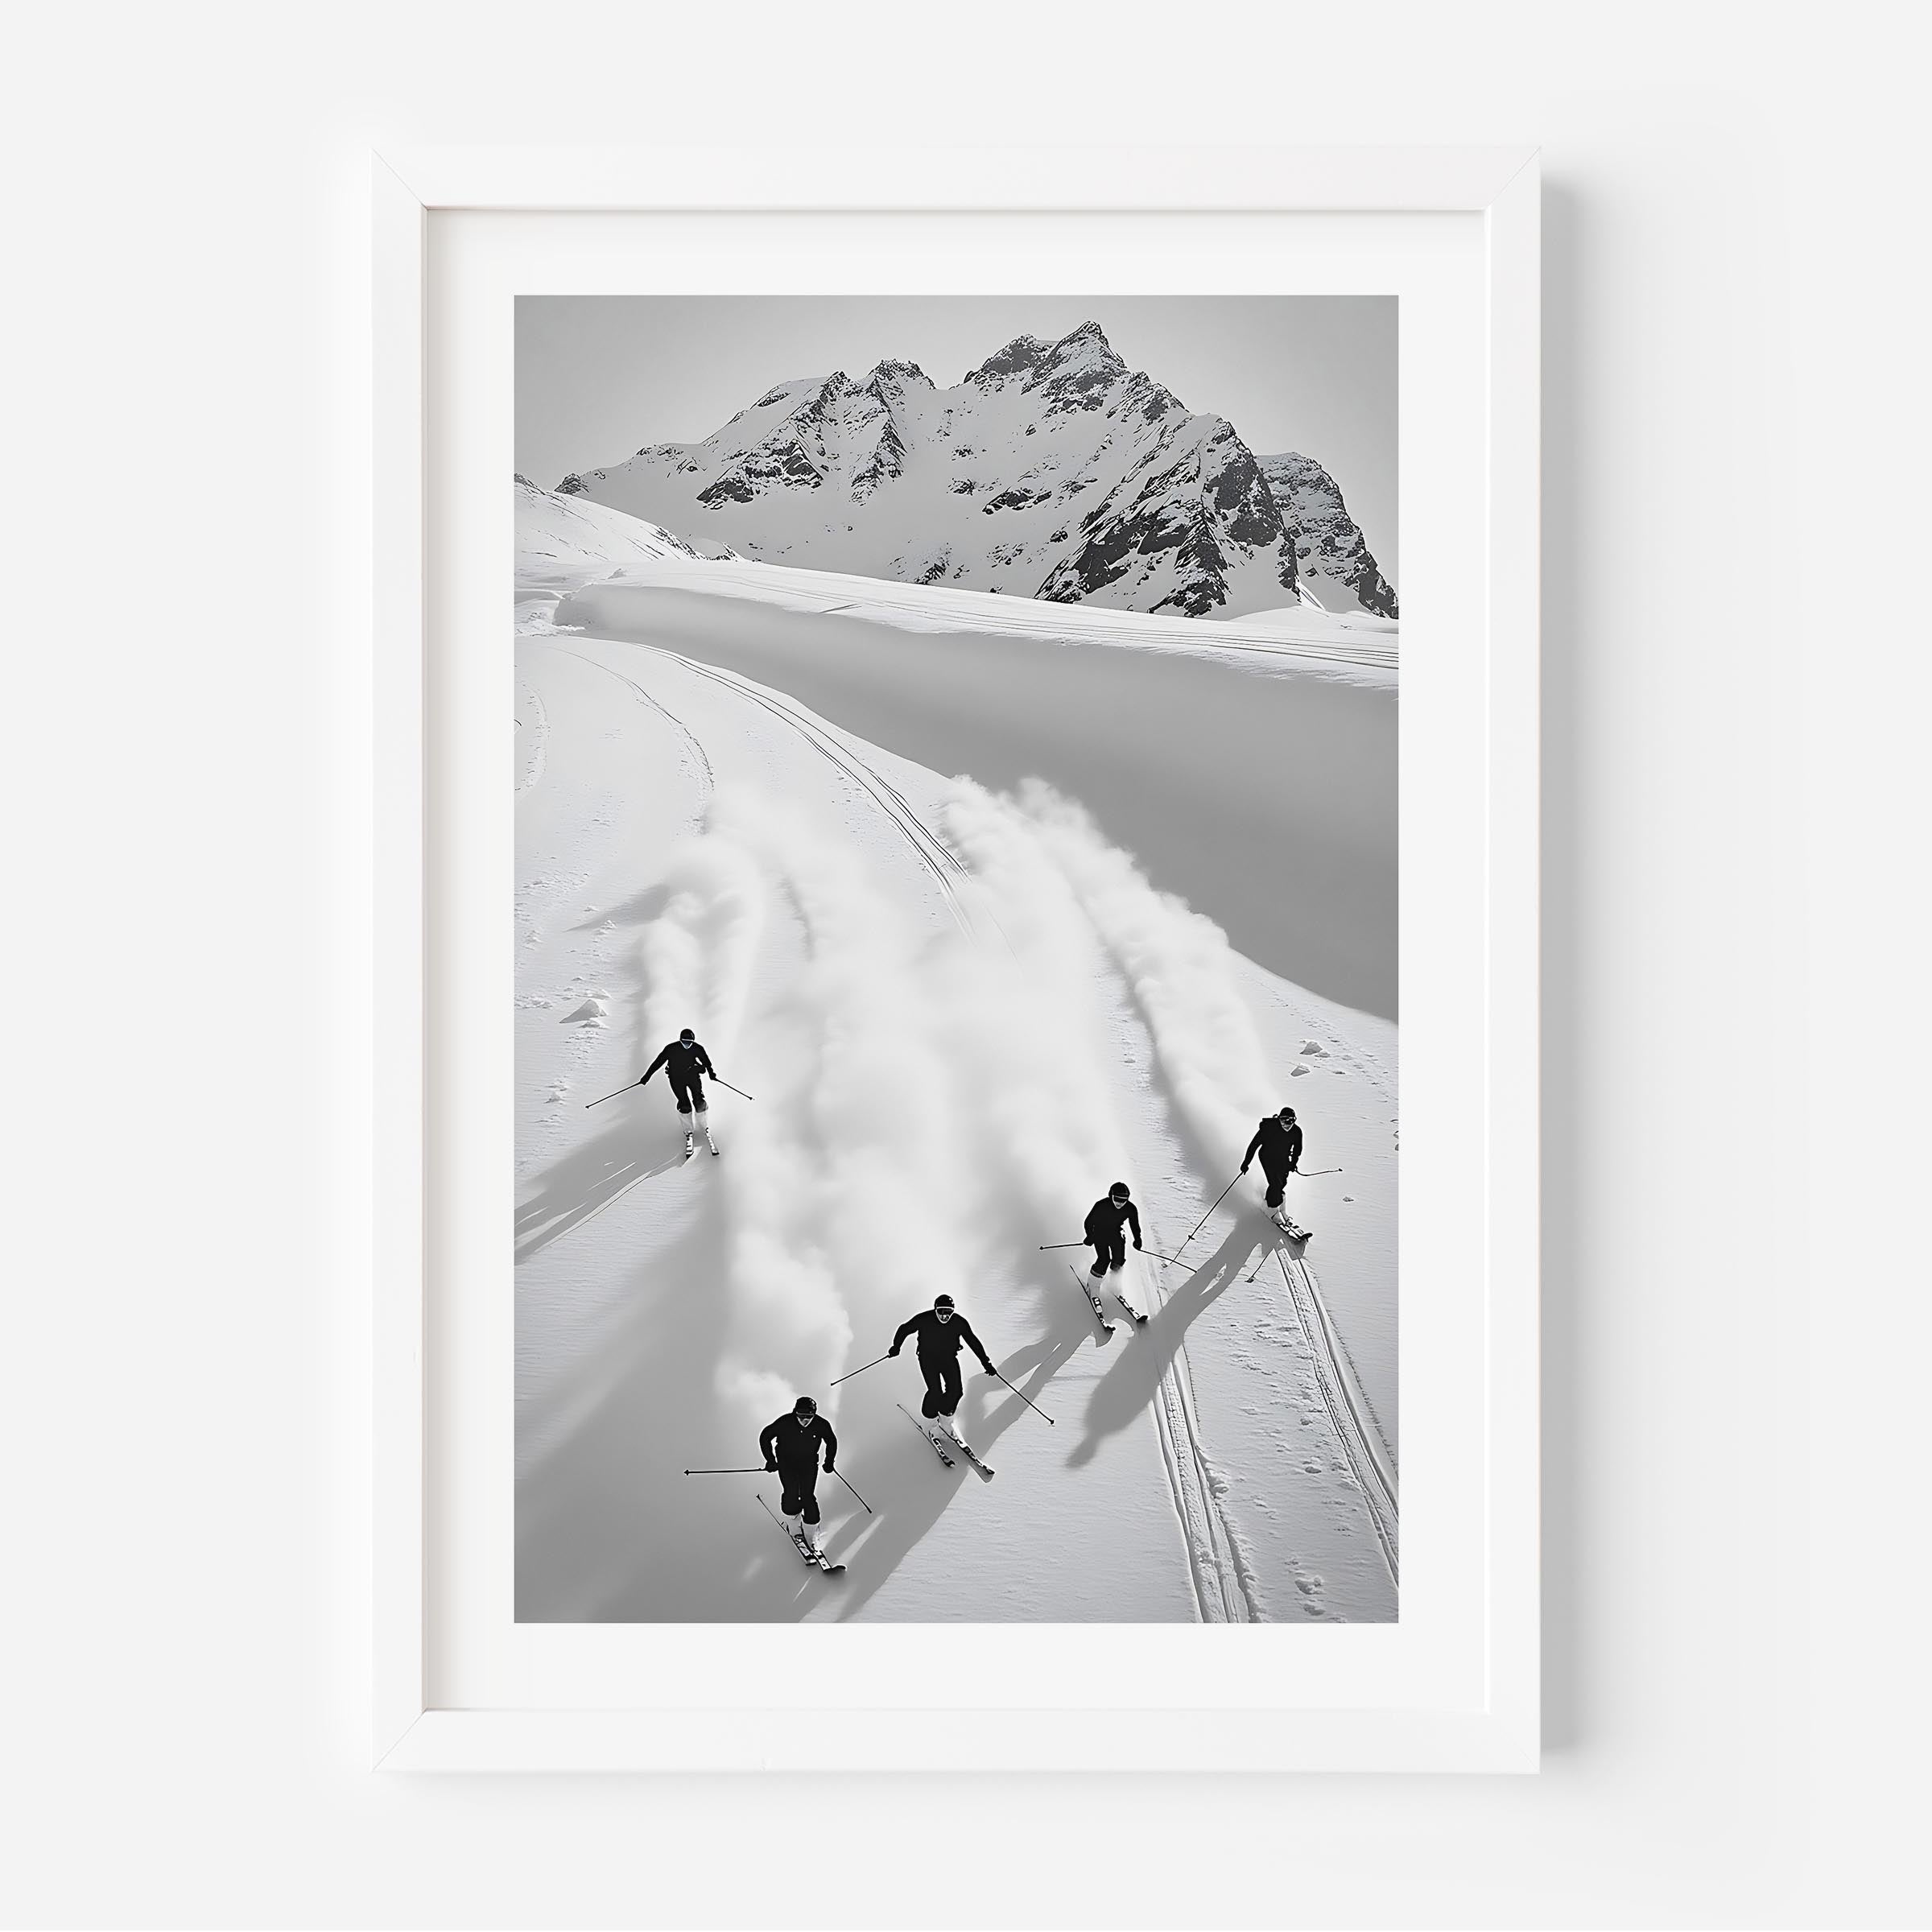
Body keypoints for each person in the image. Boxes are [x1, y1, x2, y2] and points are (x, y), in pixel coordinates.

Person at [889, 1294, 997, 1443]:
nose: (945, 1316)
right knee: (935, 1392)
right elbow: (904, 1329)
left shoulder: (959, 1322)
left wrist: (986, 1363)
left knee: (956, 1391)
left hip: (948, 1359)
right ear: (935, 1309)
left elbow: (973, 1341)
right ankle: (930, 1421)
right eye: (941, 1311)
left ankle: (946, 1421)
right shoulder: (924, 1319)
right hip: (928, 1359)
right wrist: (896, 1346)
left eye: (949, 1312)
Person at [758, 1396, 838, 1556]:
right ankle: (795, 1527)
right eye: (801, 1416)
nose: (805, 1420)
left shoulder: (821, 1424)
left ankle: (811, 1534)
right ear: (795, 1412)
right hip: (786, 1464)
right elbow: (765, 1436)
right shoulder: (785, 1422)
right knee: (791, 1493)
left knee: (808, 1496)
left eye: (809, 1416)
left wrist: (829, 1461)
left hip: (808, 1464)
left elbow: (831, 1441)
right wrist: (771, 1460)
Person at [639, 1026, 718, 1155]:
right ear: (680, 1040)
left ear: (693, 1041)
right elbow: (658, 1062)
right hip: (676, 1079)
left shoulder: (698, 1048)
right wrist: (646, 1077)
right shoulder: (671, 1049)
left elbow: (706, 1062)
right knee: (684, 1104)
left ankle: (703, 1125)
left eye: (689, 1042)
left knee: (699, 1100)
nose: (687, 1045)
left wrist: (711, 1073)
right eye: (684, 1042)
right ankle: (688, 1131)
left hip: (692, 1077)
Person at [1241, 1106, 1305, 1232]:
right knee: (1275, 1183)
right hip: (1267, 1157)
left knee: (1282, 1183)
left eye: (1290, 1121)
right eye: (1283, 1120)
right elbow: (1254, 1145)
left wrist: (1293, 1163)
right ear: (1279, 1119)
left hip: (1283, 1158)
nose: (1287, 1124)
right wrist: (1246, 1163)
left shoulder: (1297, 1132)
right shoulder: (1269, 1128)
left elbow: (1297, 1150)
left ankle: (1280, 1209)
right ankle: (1272, 1209)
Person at [1084, 1182, 1143, 1290]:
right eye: (1117, 1199)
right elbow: (1088, 1222)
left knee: (1119, 1260)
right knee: (1104, 1260)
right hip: (1099, 1233)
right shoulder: (1101, 1205)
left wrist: (1137, 1239)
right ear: (1111, 1195)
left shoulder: (1131, 1208)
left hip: (1116, 1233)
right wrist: (1090, 1236)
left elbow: (1134, 1225)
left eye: (1123, 1200)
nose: (1120, 1203)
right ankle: (1092, 1286)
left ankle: (1114, 1285)